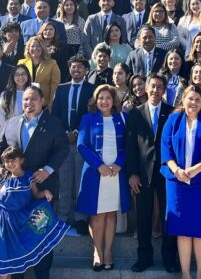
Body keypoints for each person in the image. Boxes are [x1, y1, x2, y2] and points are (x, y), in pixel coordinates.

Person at [0, 84, 70, 278]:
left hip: (43, 189)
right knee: (18, 238)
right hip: (15, 196)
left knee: (41, 233)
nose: (29, 102)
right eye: (26, 99)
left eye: (33, 98)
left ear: (42, 102)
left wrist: (48, 169)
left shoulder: (54, 123)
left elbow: (62, 149)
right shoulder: (11, 123)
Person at [0, 146, 70, 276]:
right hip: (7, 224)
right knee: (9, 256)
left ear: (21, 160)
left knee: (27, 248)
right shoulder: (4, 178)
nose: (9, 164)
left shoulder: (29, 176)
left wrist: (45, 192)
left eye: (13, 160)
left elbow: (36, 194)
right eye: (6, 161)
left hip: (24, 220)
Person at [161, 86, 201, 279]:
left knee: (200, 231)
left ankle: (200, 275)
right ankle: (186, 275)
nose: (193, 103)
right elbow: (165, 147)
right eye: (190, 99)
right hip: (177, 184)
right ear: (183, 100)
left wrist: (195, 169)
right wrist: (176, 169)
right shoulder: (173, 119)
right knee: (183, 230)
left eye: (197, 99)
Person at [125, 74, 180, 271]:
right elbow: (130, 145)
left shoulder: (173, 113)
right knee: (143, 216)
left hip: (167, 173)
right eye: (153, 86)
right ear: (146, 88)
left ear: (164, 90)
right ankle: (144, 257)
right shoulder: (135, 113)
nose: (156, 90)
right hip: (142, 172)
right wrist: (132, 173)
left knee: (168, 214)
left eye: (159, 87)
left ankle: (169, 258)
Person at [76, 85, 130, 271]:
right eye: (101, 98)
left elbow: (127, 146)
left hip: (115, 175)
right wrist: (99, 165)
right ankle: (97, 252)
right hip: (95, 173)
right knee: (97, 215)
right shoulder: (88, 118)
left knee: (111, 214)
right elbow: (81, 145)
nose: (104, 101)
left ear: (113, 101)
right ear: (95, 100)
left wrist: (118, 163)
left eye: (108, 98)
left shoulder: (122, 118)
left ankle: (108, 251)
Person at [51, 55, 95, 235]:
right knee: (64, 181)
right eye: (73, 67)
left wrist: (77, 133)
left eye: (79, 67)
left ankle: (80, 219)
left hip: (82, 142)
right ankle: (62, 218)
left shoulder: (91, 89)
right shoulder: (61, 89)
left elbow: (91, 113)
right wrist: (65, 133)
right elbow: (55, 115)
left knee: (80, 181)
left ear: (86, 71)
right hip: (63, 142)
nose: (76, 70)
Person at [0, 63, 31, 129]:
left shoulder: (33, 93)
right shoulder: (5, 95)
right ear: (13, 77)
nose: (20, 77)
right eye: (17, 75)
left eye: (23, 74)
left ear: (28, 75)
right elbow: (2, 119)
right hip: (9, 134)